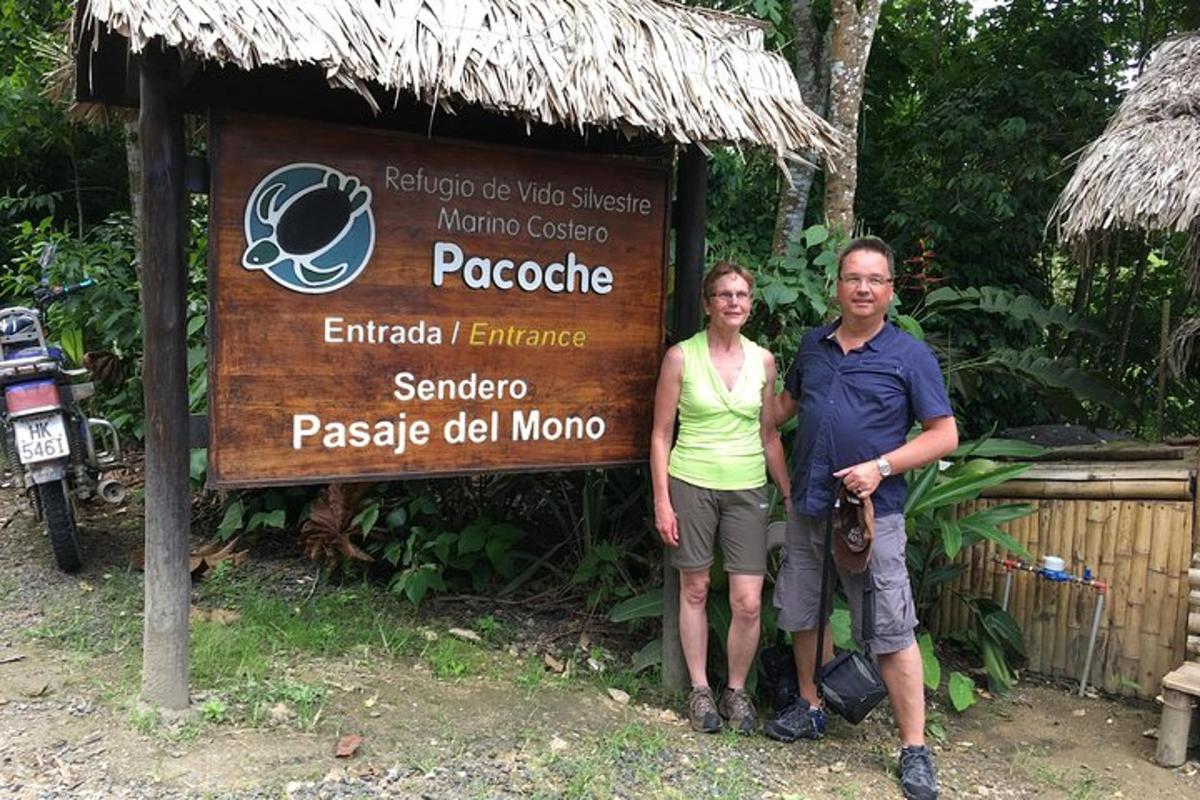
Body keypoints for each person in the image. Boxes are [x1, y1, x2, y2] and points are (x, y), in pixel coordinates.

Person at [765, 237, 957, 800]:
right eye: (854, 278)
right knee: (804, 612)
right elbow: (781, 409)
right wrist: (744, 383)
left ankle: (914, 748)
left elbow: (944, 435)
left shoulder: (909, 356)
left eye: (875, 279)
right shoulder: (813, 346)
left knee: (893, 630)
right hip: (808, 509)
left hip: (872, 517)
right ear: (838, 286)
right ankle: (811, 705)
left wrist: (880, 466)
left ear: (891, 289)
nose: (864, 288)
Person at [650, 261, 791, 735]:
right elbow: (660, 434)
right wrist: (662, 501)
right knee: (694, 588)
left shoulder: (764, 361)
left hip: (748, 486)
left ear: (751, 305)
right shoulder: (680, 358)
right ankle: (699, 690)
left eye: (742, 295)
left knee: (748, 600)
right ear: (708, 303)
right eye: (725, 295)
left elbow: (769, 434)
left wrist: (787, 493)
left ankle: (735, 690)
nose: (734, 302)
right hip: (691, 481)